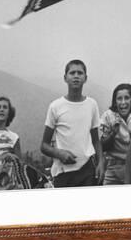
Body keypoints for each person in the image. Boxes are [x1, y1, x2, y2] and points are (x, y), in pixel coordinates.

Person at [41, 60, 104, 188]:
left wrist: (101, 163)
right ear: (65, 78)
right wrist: (59, 154)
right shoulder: (56, 106)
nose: (76, 76)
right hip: (63, 172)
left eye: (80, 73)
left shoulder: (92, 104)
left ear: (85, 78)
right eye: (72, 73)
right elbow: (44, 145)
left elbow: (96, 140)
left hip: (87, 170)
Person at [100, 83, 131, 185]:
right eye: (119, 99)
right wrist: (113, 133)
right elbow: (102, 145)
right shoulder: (108, 116)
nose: (123, 102)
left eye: (126, 98)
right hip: (113, 167)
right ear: (115, 101)